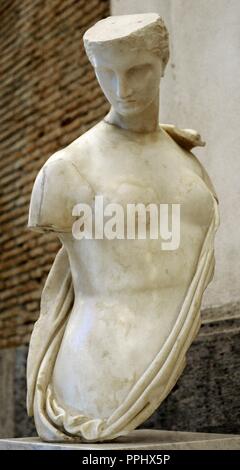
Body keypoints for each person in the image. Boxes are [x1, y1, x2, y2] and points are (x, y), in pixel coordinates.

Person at [27, 13, 219, 442]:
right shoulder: (67, 168)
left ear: (163, 65)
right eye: (106, 73)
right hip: (92, 376)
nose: (122, 88)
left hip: (159, 352)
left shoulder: (189, 164)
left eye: (138, 70)